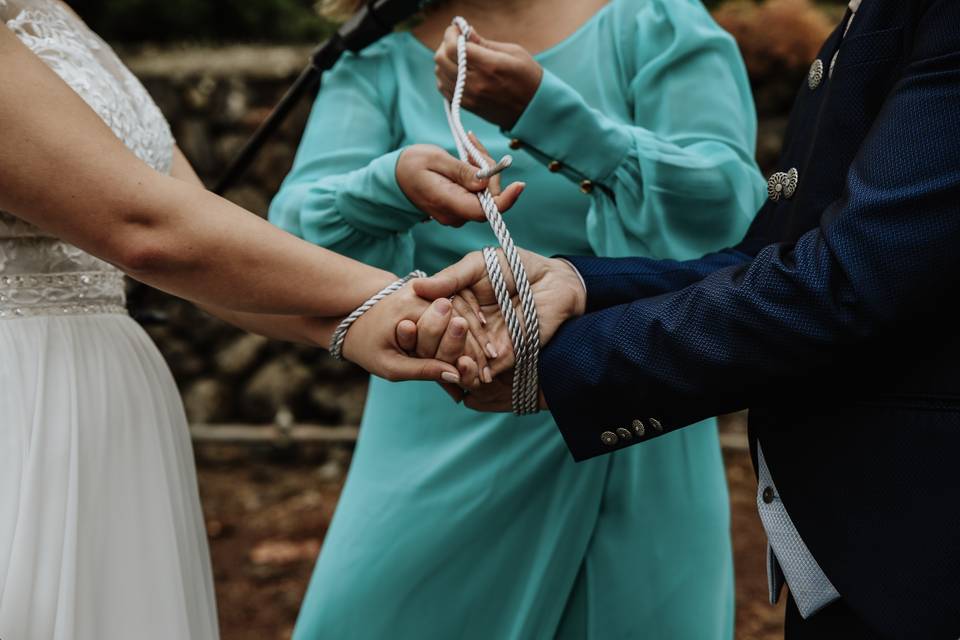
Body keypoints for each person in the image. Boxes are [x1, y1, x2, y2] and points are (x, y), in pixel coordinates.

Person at [415, 0, 960, 637]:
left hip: (918, 551)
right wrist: (580, 282)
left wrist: (560, 362)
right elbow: (774, 255)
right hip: (863, 547)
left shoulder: (662, 23)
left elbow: (840, 275)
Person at [269, 0, 765, 637]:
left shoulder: (656, 23)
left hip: (631, 421)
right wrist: (389, 185)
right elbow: (292, 251)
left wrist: (552, 117)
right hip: (440, 430)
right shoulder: (375, 64)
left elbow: (730, 215)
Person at [0, 2, 496, 638]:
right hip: (23, 405)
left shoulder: (55, 12)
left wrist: (352, 325)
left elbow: (199, 247)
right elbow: (146, 230)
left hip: (106, 411)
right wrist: (402, 295)